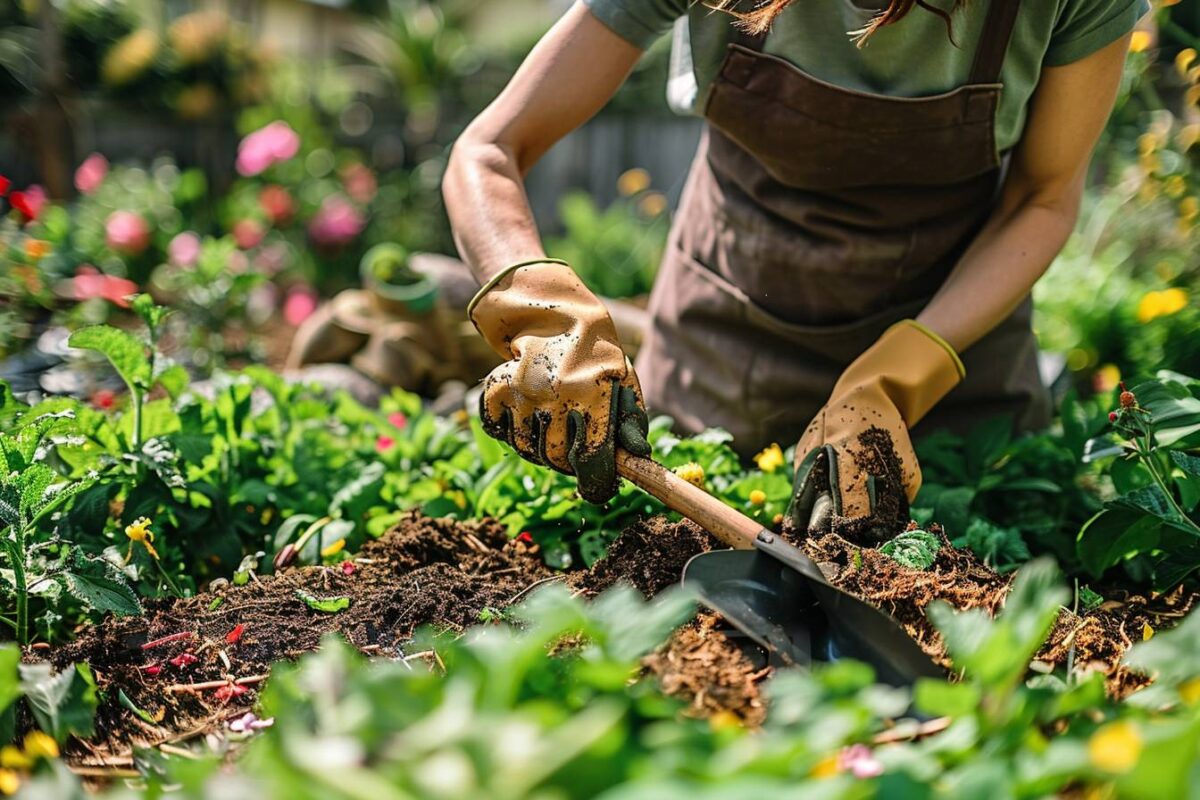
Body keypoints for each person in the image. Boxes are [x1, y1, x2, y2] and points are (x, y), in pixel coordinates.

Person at [443, 0, 1147, 539]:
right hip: (722, 357)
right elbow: (489, 150)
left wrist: (896, 380)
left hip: (952, 393)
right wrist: (542, 315)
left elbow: (1042, 198)